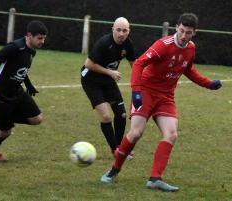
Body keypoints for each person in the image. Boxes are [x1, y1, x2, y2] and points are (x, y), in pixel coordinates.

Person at [100, 13, 222, 191]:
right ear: (176, 27)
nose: (183, 36)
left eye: (188, 33)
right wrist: (136, 91)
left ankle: (155, 179)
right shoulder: (163, 45)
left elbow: (187, 69)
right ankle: (115, 169)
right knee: (136, 133)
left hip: (166, 96)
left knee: (171, 134)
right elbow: (140, 63)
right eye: (181, 31)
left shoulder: (191, 48)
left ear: (194, 33)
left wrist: (208, 84)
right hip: (146, 91)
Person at [0, 20, 48, 161]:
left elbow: (21, 66)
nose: (42, 42)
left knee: (37, 118)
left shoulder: (32, 50)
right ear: (29, 35)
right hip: (0, 94)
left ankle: (8, 117)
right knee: (5, 132)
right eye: (39, 38)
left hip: (17, 91)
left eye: (44, 39)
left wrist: (28, 84)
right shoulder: (15, 47)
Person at [80, 17, 136, 160]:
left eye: (124, 31)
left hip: (108, 81)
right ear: (113, 30)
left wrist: (141, 84)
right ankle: (114, 150)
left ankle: (120, 147)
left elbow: (134, 65)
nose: (121, 34)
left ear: (128, 31)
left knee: (122, 114)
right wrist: (109, 72)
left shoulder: (127, 44)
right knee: (105, 116)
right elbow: (88, 64)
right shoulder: (104, 43)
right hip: (91, 81)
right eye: (118, 30)